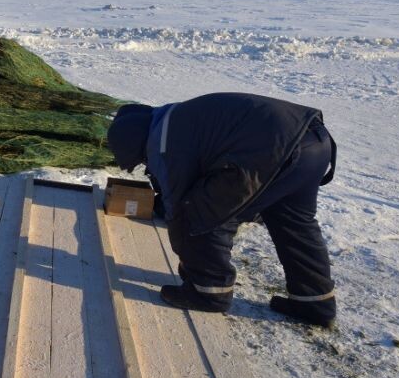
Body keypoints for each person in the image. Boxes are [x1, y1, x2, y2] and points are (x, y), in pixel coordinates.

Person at [107, 92, 338, 327]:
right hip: (314, 140)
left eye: (141, 160)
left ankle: (209, 291)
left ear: (137, 145)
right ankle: (315, 302)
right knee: (293, 222)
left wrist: (190, 255)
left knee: (200, 214)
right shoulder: (173, 117)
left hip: (274, 148)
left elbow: (179, 207)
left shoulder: (162, 142)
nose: (145, 164)